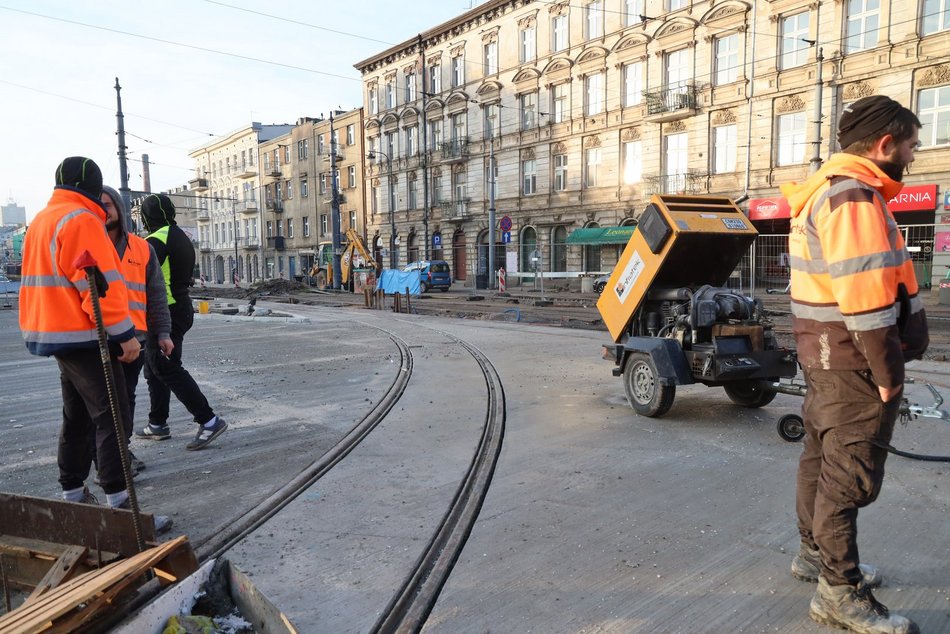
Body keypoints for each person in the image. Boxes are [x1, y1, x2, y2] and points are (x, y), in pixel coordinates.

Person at [782, 95, 929, 634]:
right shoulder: (853, 197)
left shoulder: (829, 189)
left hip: (826, 354)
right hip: (852, 362)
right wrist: (890, 376)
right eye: (911, 145)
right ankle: (838, 593)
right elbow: (867, 302)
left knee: (820, 459)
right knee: (848, 476)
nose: (914, 156)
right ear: (885, 144)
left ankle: (813, 557)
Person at [19, 158, 140, 509]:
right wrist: (124, 335)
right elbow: (101, 289)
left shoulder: (43, 219)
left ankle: (72, 492)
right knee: (113, 415)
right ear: (92, 186)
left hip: (55, 332)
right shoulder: (82, 221)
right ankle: (119, 502)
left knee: (78, 416)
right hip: (85, 334)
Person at [134, 193, 228, 450]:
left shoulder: (154, 240)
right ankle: (157, 423)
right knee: (154, 367)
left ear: (146, 216)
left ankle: (208, 420)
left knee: (164, 366)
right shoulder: (179, 236)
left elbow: (143, 277)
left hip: (166, 311)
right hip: (181, 307)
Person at [94, 186, 174, 473]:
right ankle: (107, 460)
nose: (104, 211)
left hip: (133, 340)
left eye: (108, 204)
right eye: (98, 205)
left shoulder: (142, 248)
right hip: (94, 340)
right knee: (102, 406)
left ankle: (120, 453)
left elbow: (156, 294)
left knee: (126, 400)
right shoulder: (87, 245)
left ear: (119, 208)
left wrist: (163, 332)